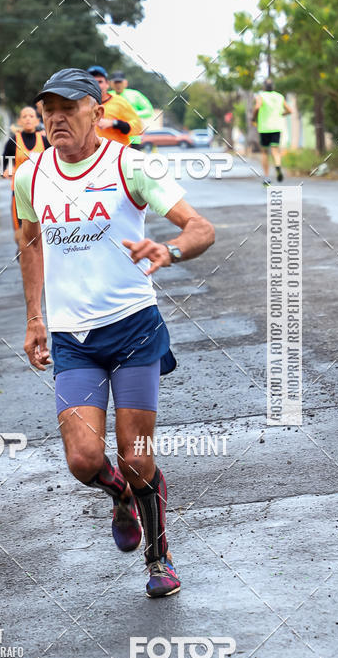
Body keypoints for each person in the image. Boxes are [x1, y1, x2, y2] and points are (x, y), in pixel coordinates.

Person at [14, 68, 215, 598]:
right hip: (72, 339)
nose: (56, 117)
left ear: (97, 113)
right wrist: (36, 317)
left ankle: (159, 558)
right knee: (83, 460)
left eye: (69, 108)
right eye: (48, 109)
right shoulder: (29, 176)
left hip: (134, 332)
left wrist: (169, 251)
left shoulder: (131, 166)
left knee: (138, 457)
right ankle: (122, 498)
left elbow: (201, 228)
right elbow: (30, 243)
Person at [2, 106, 49, 247]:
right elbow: (3, 163)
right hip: (19, 192)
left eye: (31, 116)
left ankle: (41, 256)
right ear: (19, 121)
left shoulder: (45, 141)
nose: (28, 119)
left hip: (41, 191)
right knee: (21, 229)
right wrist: (6, 170)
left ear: (37, 120)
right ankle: (23, 252)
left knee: (42, 227)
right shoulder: (13, 141)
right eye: (24, 116)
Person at [86, 65, 142, 146]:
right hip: (91, 155)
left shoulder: (119, 101)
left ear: (107, 84)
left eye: (100, 82)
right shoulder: (81, 104)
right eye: (92, 82)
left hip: (117, 154)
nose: (96, 85)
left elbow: (138, 127)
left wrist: (114, 123)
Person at [252, 79, 292, 185]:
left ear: (264, 87)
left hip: (264, 127)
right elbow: (289, 110)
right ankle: (278, 167)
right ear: (273, 87)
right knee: (275, 151)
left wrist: (253, 118)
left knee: (264, 152)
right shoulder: (279, 96)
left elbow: (256, 107)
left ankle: (266, 177)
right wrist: (281, 114)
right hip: (277, 127)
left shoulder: (261, 96)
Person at [110, 72, 154, 150]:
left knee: (134, 160)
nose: (118, 85)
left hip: (133, 138)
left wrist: (133, 114)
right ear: (111, 84)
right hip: (113, 137)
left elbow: (149, 111)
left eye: (120, 82)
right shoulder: (108, 96)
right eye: (116, 82)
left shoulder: (135, 95)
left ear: (125, 83)